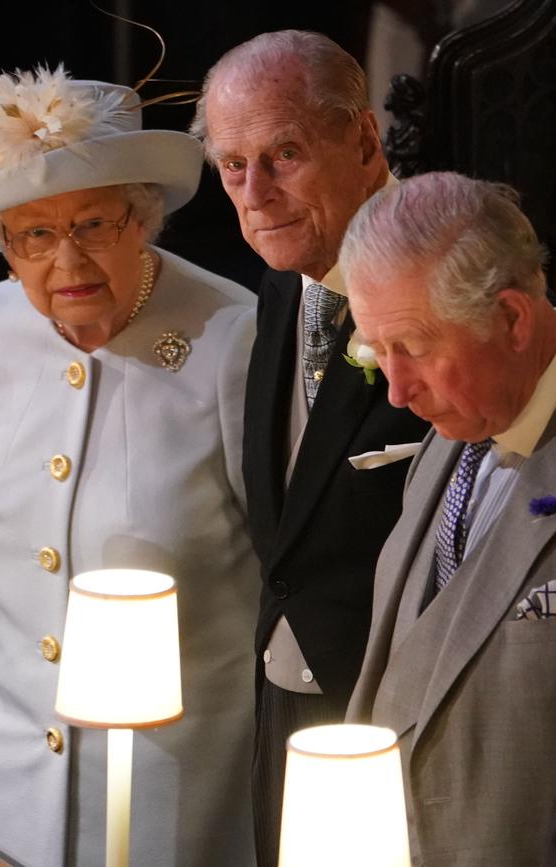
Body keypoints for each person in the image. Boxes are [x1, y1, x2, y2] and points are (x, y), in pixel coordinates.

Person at [0, 65, 260, 867]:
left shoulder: (233, 335)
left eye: (94, 224)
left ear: (141, 217)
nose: (66, 259)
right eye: (35, 234)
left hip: (174, 796)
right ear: (6, 247)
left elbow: (280, 575)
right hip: (9, 792)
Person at [190, 30, 430, 865]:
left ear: (364, 141)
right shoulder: (278, 290)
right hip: (284, 719)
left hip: (404, 727)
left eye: (283, 153)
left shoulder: (445, 277)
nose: (254, 193)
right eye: (231, 165)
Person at [342, 172, 556, 866]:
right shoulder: (449, 436)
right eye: (379, 351)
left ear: (513, 319)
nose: (397, 392)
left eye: (415, 347)